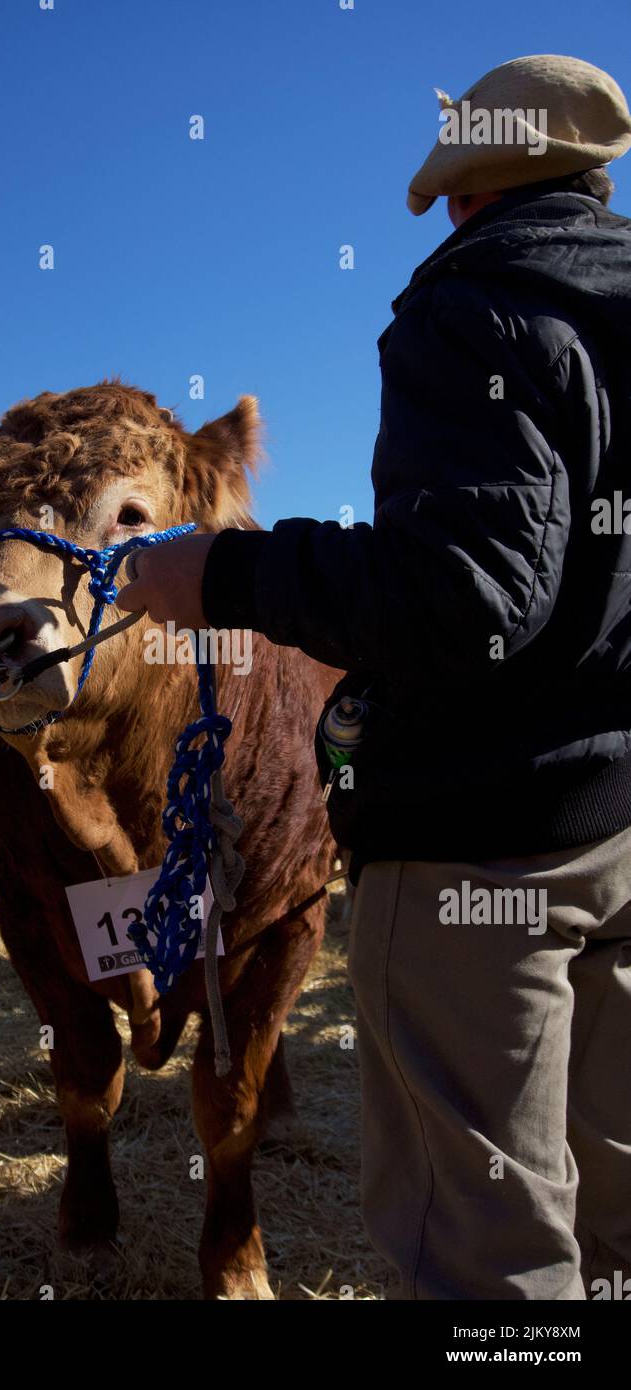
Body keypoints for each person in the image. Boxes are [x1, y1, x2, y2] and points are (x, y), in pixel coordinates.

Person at [118, 56, 631, 1300]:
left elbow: (465, 596)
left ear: (462, 193)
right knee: (614, 1188)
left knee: (483, 1238)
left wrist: (224, 576)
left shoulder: (473, 309)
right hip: (620, 817)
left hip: (483, 837)